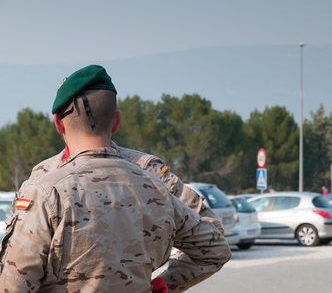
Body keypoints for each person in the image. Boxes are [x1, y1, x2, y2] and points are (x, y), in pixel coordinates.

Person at [0, 65, 230, 292]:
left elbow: (16, 278)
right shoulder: (44, 174)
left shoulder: (44, 187)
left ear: (58, 122)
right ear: (116, 121)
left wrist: (164, 285)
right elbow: (212, 246)